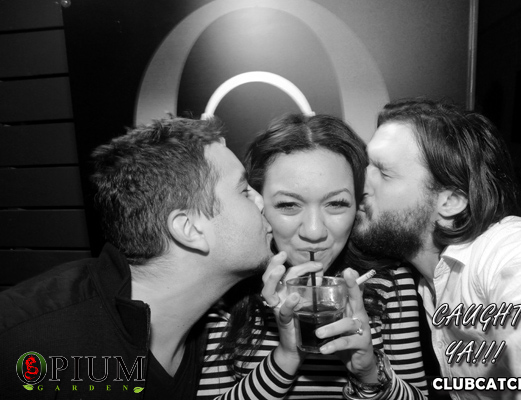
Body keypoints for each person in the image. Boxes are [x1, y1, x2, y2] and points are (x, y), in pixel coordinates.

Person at [0, 117, 304, 399]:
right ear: (189, 228)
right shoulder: (25, 340)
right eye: (244, 191)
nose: (262, 202)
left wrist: (287, 356)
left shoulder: (197, 327)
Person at [351, 98, 521, 399]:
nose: (359, 183)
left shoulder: (504, 252)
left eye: (383, 172)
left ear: (449, 202)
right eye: (367, 164)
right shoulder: (429, 280)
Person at [196, 114, 428, 400]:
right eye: (288, 205)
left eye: (337, 203)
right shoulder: (229, 287)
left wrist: (368, 372)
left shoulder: (389, 281)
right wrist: (285, 358)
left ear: (358, 204)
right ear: (256, 202)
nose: (315, 231)